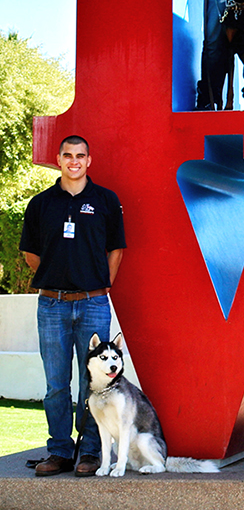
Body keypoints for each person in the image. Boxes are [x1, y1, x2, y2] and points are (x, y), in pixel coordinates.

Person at [19, 136, 126, 477]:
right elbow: (30, 254)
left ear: (89, 160)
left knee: (94, 384)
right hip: (52, 306)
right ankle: (60, 451)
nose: (74, 161)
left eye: (80, 155)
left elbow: (116, 250)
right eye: (68, 155)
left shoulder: (106, 201)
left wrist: (97, 285)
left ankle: (91, 453)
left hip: (94, 304)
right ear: (58, 159)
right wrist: (57, 279)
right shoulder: (41, 204)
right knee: (56, 384)